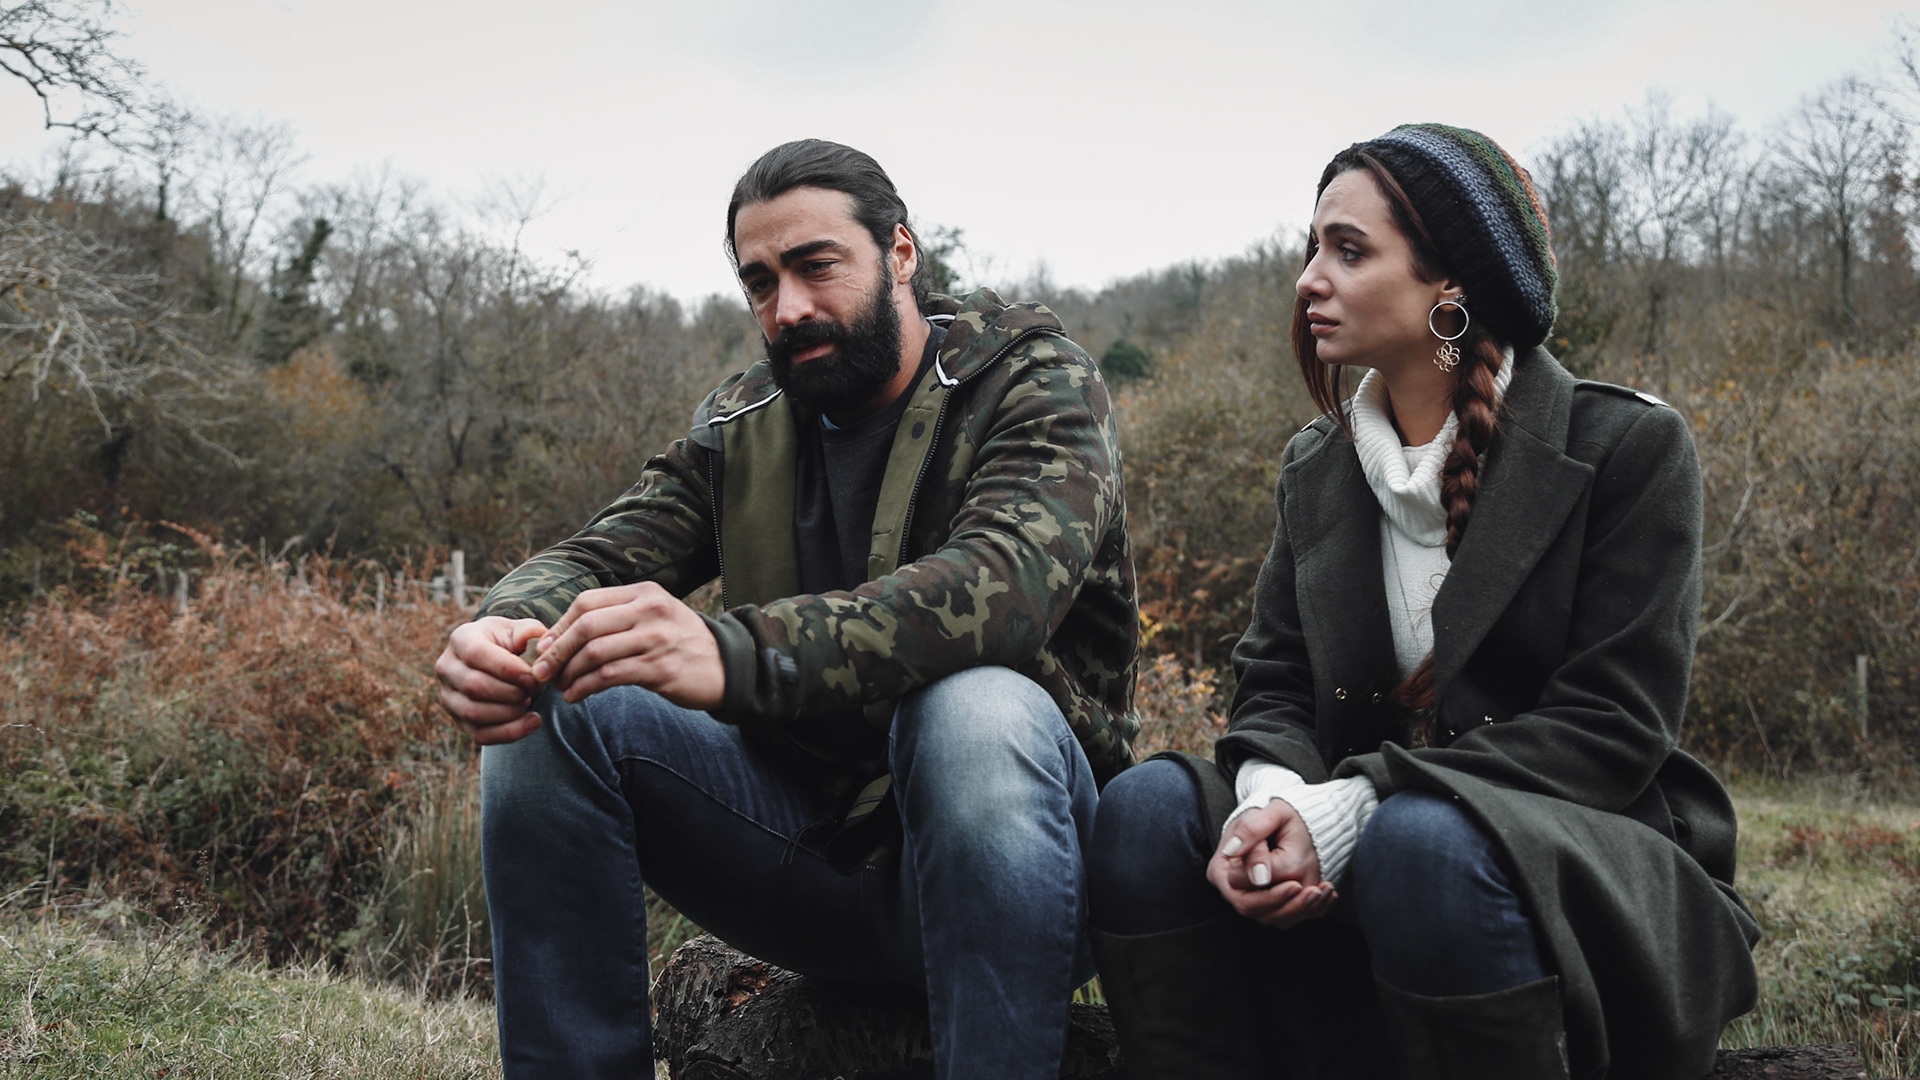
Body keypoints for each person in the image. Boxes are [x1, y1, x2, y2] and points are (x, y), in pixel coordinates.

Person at [434, 139, 1139, 1080]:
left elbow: (1001, 591)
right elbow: (598, 555)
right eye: (760, 282)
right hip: (811, 865)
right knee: (556, 688)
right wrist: (500, 626)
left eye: (816, 266)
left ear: (900, 253)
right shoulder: (743, 422)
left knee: (974, 706)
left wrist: (734, 656)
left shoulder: (1034, 381)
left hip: (1025, 874)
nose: (789, 307)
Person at [1085, 124, 1759, 1080]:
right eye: (1313, 247)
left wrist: (1356, 806)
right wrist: (1275, 805)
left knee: (1422, 839)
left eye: (1349, 251)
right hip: (1366, 855)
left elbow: (1612, 726)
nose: (1308, 280)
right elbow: (1274, 684)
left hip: (1579, 864)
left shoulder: (1625, 448)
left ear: (1451, 283)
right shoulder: (1317, 465)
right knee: (1145, 809)